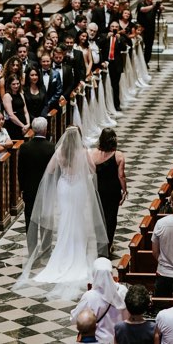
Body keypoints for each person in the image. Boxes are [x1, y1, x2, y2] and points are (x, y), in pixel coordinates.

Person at [15, 126, 109, 299]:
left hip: (64, 187)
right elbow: (93, 170)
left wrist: (64, 172)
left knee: (66, 219)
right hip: (78, 187)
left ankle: (62, 254)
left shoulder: (59, 151)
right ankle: (77, 252)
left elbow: (50, 171)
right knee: (78, 218)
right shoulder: (82, 151)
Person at [71, 258, 128, 344]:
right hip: (121, 339)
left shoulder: (89, 296)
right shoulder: (123, 290)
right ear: (111, 274)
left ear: (94, 274)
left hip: (98, 341)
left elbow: (75, 319)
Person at [18, 117, 56, 243]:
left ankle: (32, 248)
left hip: (30, 190)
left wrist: (22, 188)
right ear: (45, 130)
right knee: (46, 219)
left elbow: (20, 171)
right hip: (47, 189)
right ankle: (46, 247)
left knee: (30, 219)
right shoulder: (51, 148)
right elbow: (54, 172)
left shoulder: (24, 148)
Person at [90, 127, 127, 253]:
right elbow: (121, 176)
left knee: (100, 217)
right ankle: (108, 245)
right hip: (113, 191)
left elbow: (92, 173)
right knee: (111, 218)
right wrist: (125, 190)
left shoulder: (93, 154)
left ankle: (99, 244)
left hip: (99, 189)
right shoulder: (118, 155)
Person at [2, 75, 31, 139]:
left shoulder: (21, 94)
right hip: (14, 127)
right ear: (9, 85)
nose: (16, 86)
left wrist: (28, 124)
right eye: (13, 84)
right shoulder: (7, 96)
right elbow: (11, 115)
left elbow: (25, 111)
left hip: (24, 126)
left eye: (18, 83)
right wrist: (23, 126)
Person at [136, 0, 159, 65]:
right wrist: (153, 6)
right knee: (140, 46)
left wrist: (159, 6)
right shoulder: (141, 4)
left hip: (151, 29)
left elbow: (162, 8)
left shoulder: (154, 5)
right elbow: (143, 9)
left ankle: (145, 62)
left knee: (149, 47)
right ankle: (139, 63)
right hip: (142, 29)